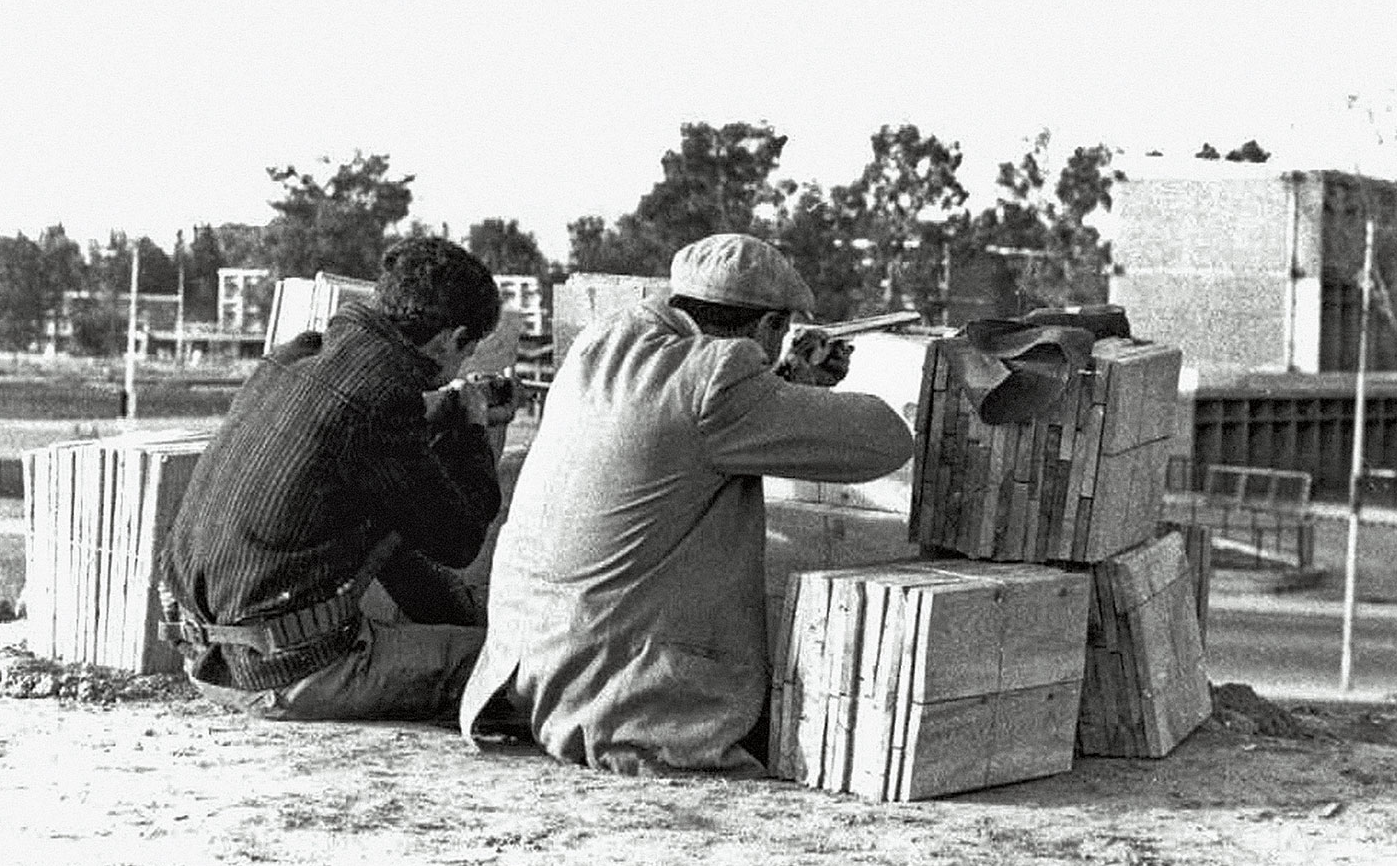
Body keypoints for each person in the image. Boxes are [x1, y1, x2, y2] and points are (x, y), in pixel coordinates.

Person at [458, 232, 915, 775]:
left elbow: (676, 431)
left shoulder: (602, 345)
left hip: (526, 672)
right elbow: (886, 441)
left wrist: (781, 382)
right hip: (623, 703)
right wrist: (801, 391)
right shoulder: (719, 380)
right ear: (770, 327)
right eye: (780, 328)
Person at [164, 236, 511, 722]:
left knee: (385, 512)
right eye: (466, 352)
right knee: (509, 671)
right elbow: (458, 539)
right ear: (453, 339)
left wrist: (434, 411)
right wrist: (472, 427)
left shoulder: (295, 357)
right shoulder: (383, 406)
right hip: (283, 671)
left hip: (205, 652)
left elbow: (351, 441)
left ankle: (446, 626)